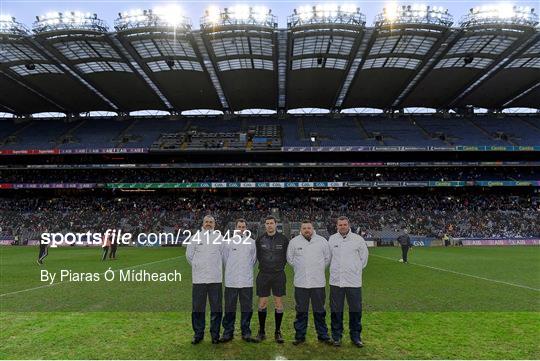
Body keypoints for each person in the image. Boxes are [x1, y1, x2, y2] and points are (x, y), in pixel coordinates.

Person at [287, 220, 332, 346]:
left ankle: (323, 335)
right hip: (301, 283)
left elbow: (327, 258)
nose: (307, 230)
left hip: (318, 283)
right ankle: (300, 336)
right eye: (304, 228)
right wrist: (301, 268)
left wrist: (317, 269)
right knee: (301, 311)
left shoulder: (322, 241)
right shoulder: (294, 242)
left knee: (319, 311)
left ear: (313, 229)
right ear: (300, 230)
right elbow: (290, 259)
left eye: (309, 228)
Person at [328, 216, 369, 347]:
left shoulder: (358, 239)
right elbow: (328, 258)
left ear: (348, 225)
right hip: (336, 282)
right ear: (337, 226)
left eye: (344, 224)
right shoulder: (332, 239)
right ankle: (336, 337)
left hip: (353, 282)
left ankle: (355, 337)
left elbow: (364, 258)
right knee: (336, 310)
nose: (342, 227)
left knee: (355, 310)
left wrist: (354, 270)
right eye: (340, 225)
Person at [186, 215, 224, 345]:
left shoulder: (219, 238)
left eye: (211, 222)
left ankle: (215, 335)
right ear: (203, 223)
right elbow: (189, 256)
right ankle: (198, 334)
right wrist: (199, 267)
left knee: (216, 309)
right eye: (207, 222)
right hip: (199, 280)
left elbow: (224, 256)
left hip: (215, 279)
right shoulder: (195, 238)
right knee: (198, 308)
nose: (209, 224)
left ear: (214, 224)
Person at [221, 219, 257, 343]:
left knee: (247, 308)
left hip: (246, 281)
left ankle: (246, 332)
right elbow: (225, 259)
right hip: (231, 281)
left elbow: (253, 260)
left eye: (243, 227)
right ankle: (228, 332)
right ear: (235, 228)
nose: (241, 229)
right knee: (230, 308)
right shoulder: (228, 243)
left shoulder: (252, 243)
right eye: (239, 226)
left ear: (246, 228)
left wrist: (245, 271)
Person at [255, 216, 289, 343]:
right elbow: (257, 255)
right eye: (267, 223)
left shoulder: (284, 239)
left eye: (271, 223)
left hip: (278, 275)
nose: (269, 225)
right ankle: (261, 331)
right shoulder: (260, 239)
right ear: (265, 225)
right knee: (262, 303)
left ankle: (277, 332)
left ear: (276, 225)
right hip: (263, 274)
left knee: (278, 303)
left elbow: (288, 256)